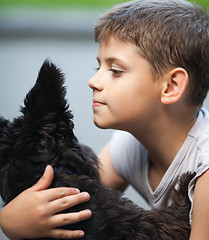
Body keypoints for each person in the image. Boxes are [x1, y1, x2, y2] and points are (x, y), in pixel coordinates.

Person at [0, 0, 209, 239]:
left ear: (171, 86)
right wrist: (10, 221)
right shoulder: (130, 145)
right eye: (98, 66)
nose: (93, 81)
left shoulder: (206, 168)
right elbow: (80, 201)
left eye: (115, 70)